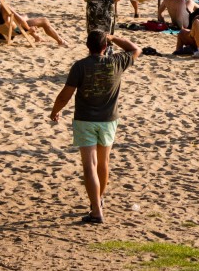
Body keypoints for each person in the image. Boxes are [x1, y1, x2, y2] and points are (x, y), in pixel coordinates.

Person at [48, 31, 142, 224]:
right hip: (108, 120)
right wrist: (113, 37)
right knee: (103, 163)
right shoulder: (116, 62)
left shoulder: (80, 66)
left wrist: (55, 111)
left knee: (89, 165)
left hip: (85, 119)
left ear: (87, 46)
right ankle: (98, 200)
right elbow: (135, 49)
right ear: (105, 47)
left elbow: (65, 95)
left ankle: (97, 210)